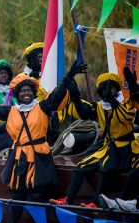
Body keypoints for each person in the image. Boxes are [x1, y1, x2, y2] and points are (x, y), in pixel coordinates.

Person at [0, 61, 86, 223]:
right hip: (19, 157)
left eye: (29, 90)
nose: (26, 93)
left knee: (37, 195)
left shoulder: (42, 107)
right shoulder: (11, 111)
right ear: (17, 93)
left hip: (39, 157)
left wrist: (69, 76)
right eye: (23, 91)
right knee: (17, 194)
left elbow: (57, 95)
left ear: (34, 92)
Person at [51, 71, 139, 208]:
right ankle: (68, 199)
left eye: (111, 88)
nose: (108, 91)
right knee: (81, 167)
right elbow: (82, 112)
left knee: (107, 168)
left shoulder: (126, 104)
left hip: (124, 148)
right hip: (107, 146)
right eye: (104, 88)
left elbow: (125, 117)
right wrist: (75, 94)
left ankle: (95, 203)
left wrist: (113, 101)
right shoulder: (99, 106)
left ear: (117, 89)